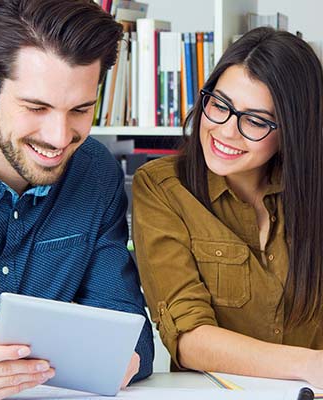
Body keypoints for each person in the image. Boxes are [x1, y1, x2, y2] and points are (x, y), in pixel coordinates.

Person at [0, 0, 154, 399]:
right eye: (37, 107)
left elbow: (131, 334)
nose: (60, 137)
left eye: (81, 109)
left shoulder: (95, 172)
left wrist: (124, 357)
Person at [133, 27, 323, 387]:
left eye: (255, 120)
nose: (226, 131)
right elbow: (189, 338)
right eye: (220, 105)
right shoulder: (162, 188)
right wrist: (311, 365)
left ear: (292, 131)